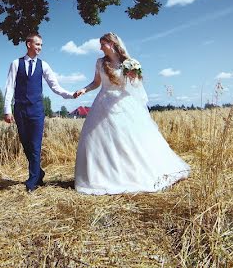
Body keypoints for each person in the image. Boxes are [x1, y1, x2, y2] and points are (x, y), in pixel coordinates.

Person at [72, 32, 190, 195]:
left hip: (123, 104)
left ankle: (131, 173)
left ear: (112, 44)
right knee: (97, 140)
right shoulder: (100, 62)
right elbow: (96, 82)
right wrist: (84, 89)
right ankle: (105, 175)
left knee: (129, 140)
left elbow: (136, 83)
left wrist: (135, 77)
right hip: (102, 103)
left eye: (103, 44)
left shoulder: (129, 63)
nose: (100, 48)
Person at [4, 32, 76, 192]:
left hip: (37, 110)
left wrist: (71, 95)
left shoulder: (44, 65)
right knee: (26, 146)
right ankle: (39, 173)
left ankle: (32, 182)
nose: (40, 48)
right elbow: (9, 87)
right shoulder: (16, 63)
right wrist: (7, 109)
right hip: (20, 110)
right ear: (28, 44)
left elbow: (55, 86)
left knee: (35, 146)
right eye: (37, 44)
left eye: (41, 45)